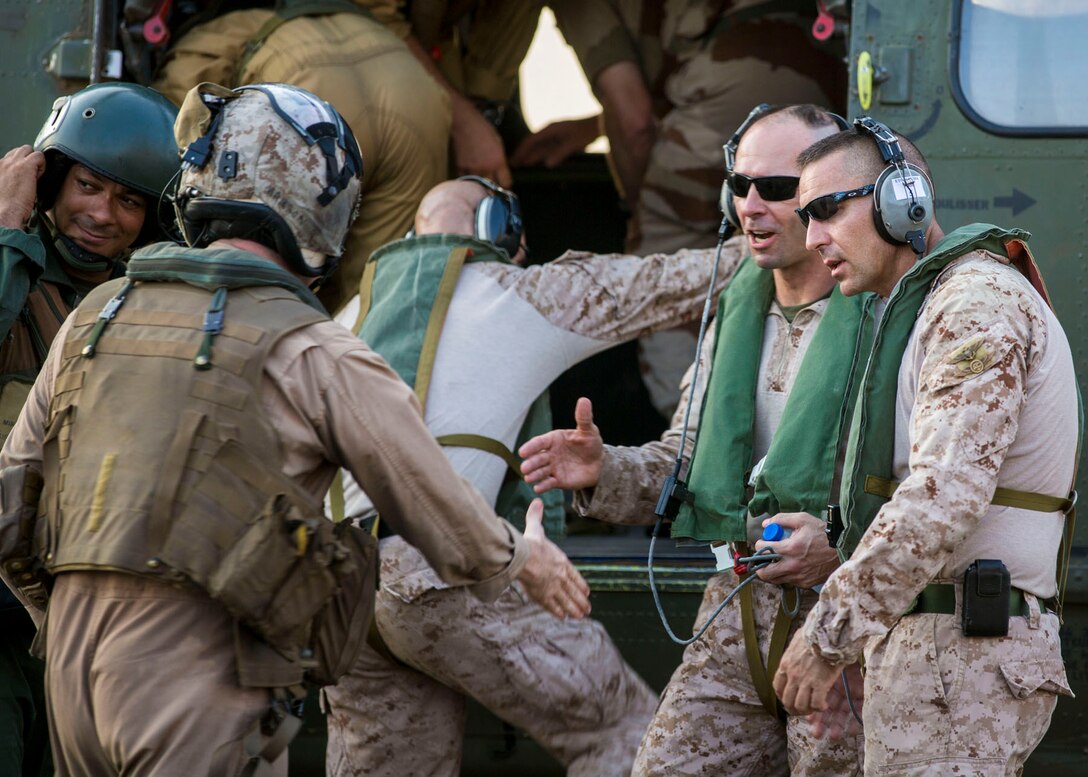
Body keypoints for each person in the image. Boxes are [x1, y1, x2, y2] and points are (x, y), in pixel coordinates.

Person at [0, 81, 590, 777]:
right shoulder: (316, 346)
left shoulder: (95, 314)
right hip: (203, 674)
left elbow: (14, 503)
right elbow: (434, 503)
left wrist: (69, 618)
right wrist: (526, 559)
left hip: (74, 669)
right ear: (323, 206)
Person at [324, 175, 731, 776]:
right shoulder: (518, 292)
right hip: (444, 572)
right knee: (626, 735)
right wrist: (797, 233)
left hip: (343, 595)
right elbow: (683, 282)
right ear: (499, 229)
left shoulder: (349, 311)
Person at [520, 104, 865, 775]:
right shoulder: (735, 310)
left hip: (847, 624)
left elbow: (934, 488)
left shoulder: (891, 313)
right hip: (734, 614)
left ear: (829, 195)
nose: (751, 207)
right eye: (739, 186)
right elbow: (685, 460)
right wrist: (601, 470)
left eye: (775, 187)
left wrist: (841, 542)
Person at [774, 118, 1078, 773]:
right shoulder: (931, 307)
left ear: (902, 199)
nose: (812, 237)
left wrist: (830, 635)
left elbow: (943, 496)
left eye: (828, 208)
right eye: (804, 216)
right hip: (938, 651)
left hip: (963, 658)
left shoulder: (973, 302)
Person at [514, 0, 845, 419]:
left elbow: (633, 122)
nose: (749, 203)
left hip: (730, 78)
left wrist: (641, 206)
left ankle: (696, 437)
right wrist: (592, 127)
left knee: (665, 241)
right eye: (739, 189)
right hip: (823, 67)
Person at [0, 81, 178, 777]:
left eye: (128, 200)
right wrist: (11, 226)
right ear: (50, 178)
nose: (102, 214)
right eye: (88, 186)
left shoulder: (141, 304)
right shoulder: (15, 264)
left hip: (84, 611)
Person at [154, 0, 453, 314]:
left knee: (281, 295)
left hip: (306, 104)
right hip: (408, 83)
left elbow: (166, 132)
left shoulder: (214, 34)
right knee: (382, 299)